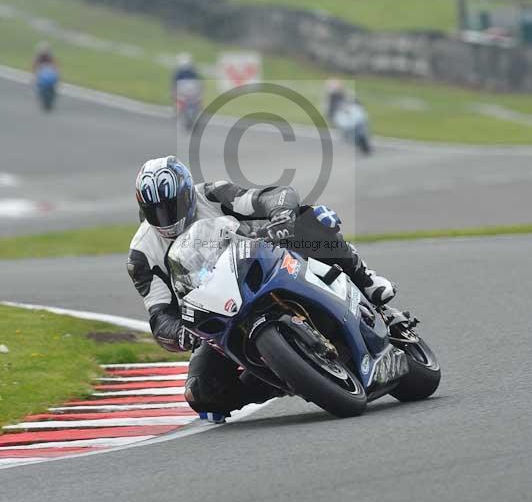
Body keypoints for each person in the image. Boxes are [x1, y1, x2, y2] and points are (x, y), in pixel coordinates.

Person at [127, 156, 396, 420]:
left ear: (187, 194)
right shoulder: (141, 254)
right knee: (201, 393)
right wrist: (179, 333)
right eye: (156, 211)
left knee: (310, 219)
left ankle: (366, 280)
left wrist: (281, 216)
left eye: (171, 206)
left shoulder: (213, 194)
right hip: (218, 308)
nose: (166, 218)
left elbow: (273, 196)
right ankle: (284, 376)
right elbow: (159, 313)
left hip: (264, 259)